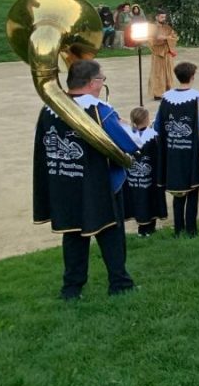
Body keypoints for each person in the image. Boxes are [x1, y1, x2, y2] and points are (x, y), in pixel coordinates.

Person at [32, 59, 139, 299]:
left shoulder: (49, 109)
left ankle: (71, 289)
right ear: (92, 83)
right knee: (111, 235)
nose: (102, 84)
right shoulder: (98, 109)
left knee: (73, 237)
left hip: (65, 185)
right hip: (101, 186)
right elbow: (127, 145)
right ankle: (119, 283)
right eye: (101, 80)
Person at [155, 61, 199, 238]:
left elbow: (158, 126)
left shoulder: (166, 98)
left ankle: (178, 229)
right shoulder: (198, 98)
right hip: (192, 152)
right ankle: (191, 229)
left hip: (172, 152)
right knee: (192, 190)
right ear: (192, 76)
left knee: (178, 192)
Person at [122, 106, 165, 236]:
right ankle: (149, 229)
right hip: (150, 179)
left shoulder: (126, 136)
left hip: (133, 179)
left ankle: (142, 229)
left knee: (139, 201)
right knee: (150, 200)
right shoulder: (153, 137)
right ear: (146, 120)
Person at [148, 10, 179, 100]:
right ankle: (157, 93)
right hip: (158, 54)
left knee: (168, 73)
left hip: (167, 54)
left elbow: (174, 37)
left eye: (164, 17)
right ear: (156, 17)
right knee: (158, 74)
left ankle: (168, 91)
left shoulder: (167, 27)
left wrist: (165, 38)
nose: (163, 19)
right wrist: (165, 39)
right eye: (161, 17)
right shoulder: (152, 28)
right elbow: (152, 40)